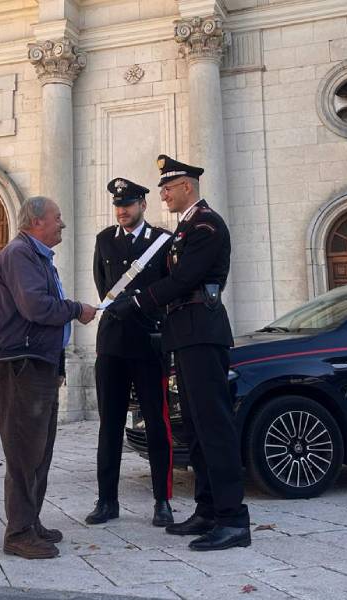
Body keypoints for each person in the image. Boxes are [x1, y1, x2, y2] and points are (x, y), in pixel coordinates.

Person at [107, 155, 251, 551]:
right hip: (184, 335)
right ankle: (208, 509)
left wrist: (136, 303)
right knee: (196, 427)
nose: (163, 195)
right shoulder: (186, 228)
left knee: (214, 425)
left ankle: (233, 519)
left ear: (186, 186)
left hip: (202, 334)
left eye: (167, 188)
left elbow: (185, 279)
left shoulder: (206, 225)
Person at [0, 196, 97, 560]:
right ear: (36, 222)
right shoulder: (19, 254)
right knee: (24, 451)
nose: (62, 224)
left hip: (40, 363)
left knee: (40, 450)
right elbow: (35, 307)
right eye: (57, 217)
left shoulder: (39, 258)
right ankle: (17, 533)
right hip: (22, 364)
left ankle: (30, 521)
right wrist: (76, 310)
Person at [86, 177, 175, 527]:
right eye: (118, 206)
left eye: (129, 204)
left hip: (149, 342)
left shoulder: (162, 242)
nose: (122, 211)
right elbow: (102, 287)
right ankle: (107, 500)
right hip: (112, 344)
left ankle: (162, 501)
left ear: (143, 205)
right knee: (109, 424)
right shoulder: (104, 241)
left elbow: (169, 288)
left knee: (157, 423)